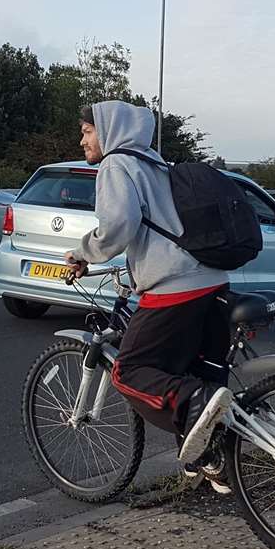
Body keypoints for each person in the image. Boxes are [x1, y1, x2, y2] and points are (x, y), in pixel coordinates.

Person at [65, 101, 235, 490]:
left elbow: (119, 226)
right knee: (198, 373)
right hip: (212, 279)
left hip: (176, 288)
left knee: (130, 372)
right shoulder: (158, 163)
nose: (82, 140)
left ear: (107, 130)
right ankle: (214, 460)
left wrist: (82, 253)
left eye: (87, 131)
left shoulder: (116, 165)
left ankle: (193, 404)